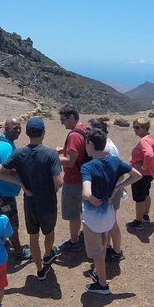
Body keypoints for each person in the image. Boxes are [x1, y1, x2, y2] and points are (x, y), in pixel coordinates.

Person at [0, 117, 63, 281]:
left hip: (30, 201)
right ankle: (47, 256)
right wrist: (53, 189)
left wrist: (22, 184)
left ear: (26, 133)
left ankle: (39, 269)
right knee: (49, 231)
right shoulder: (51, 154)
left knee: (33, 236)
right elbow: (58, 182)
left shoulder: (18, 153)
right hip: (47, 202)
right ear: (44, 133)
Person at [81, 127, 142, 294]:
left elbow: (86, 193)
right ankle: (97, 272)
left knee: (98, 253)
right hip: (108, 215)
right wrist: (116, 188)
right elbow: (137, 175)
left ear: (91, 144)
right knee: (103, 243)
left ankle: (102, 284)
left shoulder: (88, 167)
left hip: (93, 219)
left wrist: (93, 200)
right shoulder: (114, 161)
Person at [0, 117, 31, 261]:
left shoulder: (5, 143)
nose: (18, 131)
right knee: (12, 223)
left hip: (0, 191)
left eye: (20, 128)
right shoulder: (5, 147)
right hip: (4, 194)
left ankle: (0, 242)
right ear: (6, 128)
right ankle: (19, 252)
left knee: (1, 219)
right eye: (15, 128)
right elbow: (7, 171)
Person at [88, 118, 124, 261]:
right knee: (109, 222)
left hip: (111, 191)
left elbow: (119, 175)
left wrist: (115, 190)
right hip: (110, 190)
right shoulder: (107, 146)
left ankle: (117, 251)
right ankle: (108, 247)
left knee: (112, 222)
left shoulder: (108, 151)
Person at [56, 105, 88, 251]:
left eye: (63, 120)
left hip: (74, 179)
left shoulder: (74, 135)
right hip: (83, 176)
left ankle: (74, 241)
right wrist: (63, 151)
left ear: (71, 117)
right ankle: (85, 234)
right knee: (82, 208)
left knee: (73, 212)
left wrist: (53, 157)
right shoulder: (84, 129)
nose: (62, 123)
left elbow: (70, 161)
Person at [127, 117, 154, 229]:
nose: (134, 130)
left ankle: (138, 221)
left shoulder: (143, 141)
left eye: (137, 127)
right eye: (134, 127)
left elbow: (149, 155)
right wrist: (151, 163)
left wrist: (144, 166)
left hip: (141, 174)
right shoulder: (153, 137)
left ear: (144, 128)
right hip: (149, 174)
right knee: (146, 193)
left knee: (139, 198)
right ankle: (145, 216)